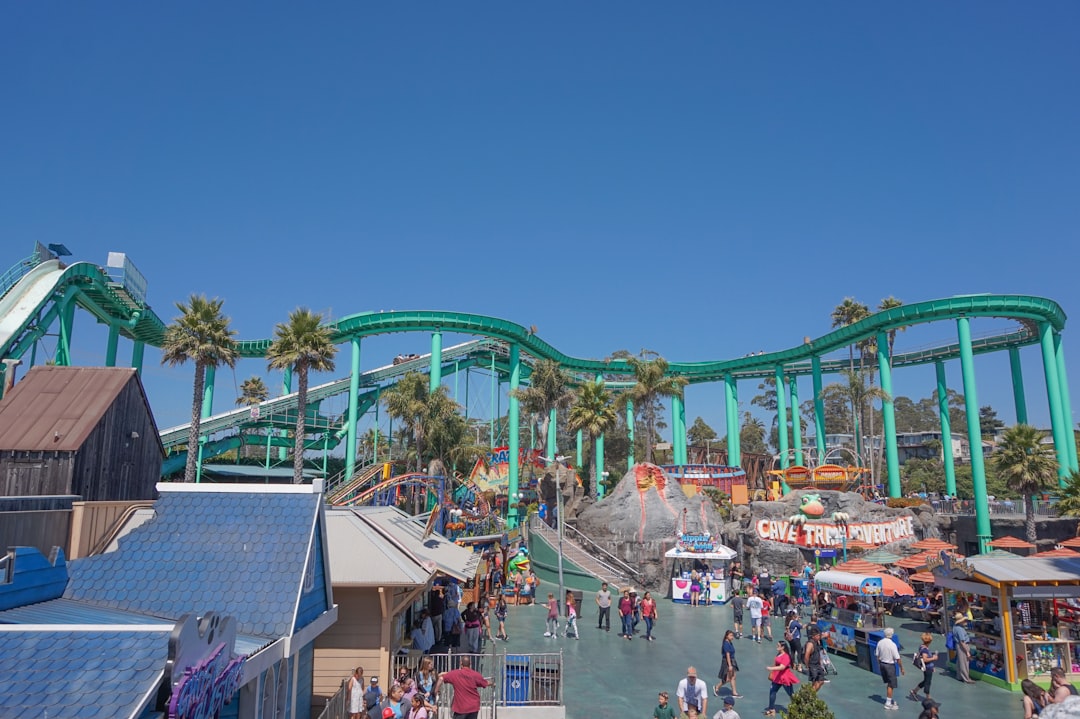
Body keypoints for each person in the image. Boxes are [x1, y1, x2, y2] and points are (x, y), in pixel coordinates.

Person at [763, 640, 799, 716]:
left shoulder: (786, 656)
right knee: (772, 691)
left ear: (783, 647)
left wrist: (771, 668)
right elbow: (776, 663)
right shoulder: (778, 654)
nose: (777, 646)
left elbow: (782, 667)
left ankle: (797, 708)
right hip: (777, 677)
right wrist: (772, 672)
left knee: (790, 694)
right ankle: (771, 709)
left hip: (785, 677)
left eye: (778, 645)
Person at [875, 626, 904, 710]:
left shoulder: (880, 642)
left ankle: (889, 699)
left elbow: (877, 655)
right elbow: (897, 658)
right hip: (890, 666)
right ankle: (888, 703)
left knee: (888, 683)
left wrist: (879, 664)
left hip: (882, 664)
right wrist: (901, 668)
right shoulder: (892, 645)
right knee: (891, 684)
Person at [909, 632, 938, 702]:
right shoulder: (925, 650)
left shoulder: (922, 646)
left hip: (928, 667)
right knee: (928, 682)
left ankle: (914, 691)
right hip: (927, 668)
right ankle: (928, 697)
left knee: (925, 681)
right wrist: (934, 658)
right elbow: (925, 659)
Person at [713, 630, 742, 699]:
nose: (732, 637)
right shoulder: (726, 644)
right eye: (731, 636)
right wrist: (730, 665)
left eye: (732, 635)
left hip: (732, 661)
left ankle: (734, 692)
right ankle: (717, 687)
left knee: (733, 677)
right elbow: (727, 655)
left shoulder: (730, 642)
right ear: (727, 636)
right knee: (728, 678)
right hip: (727, 662)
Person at [951, 613, 975, 684]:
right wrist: (967, 651)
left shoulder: (955, 627)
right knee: (964, 662)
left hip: (958, 646)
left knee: (960, 661)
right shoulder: (960, 629)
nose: (965, 622)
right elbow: (962, 642)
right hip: (962, 646)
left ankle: (959, 676)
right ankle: (966, 678)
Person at [804, 626, 826, 692]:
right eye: (818, 635)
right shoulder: (810, 644)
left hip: (817, 664)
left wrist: (820, 662)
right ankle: (810, 696)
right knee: (814, 682)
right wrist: (807, 665)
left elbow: (818, 653)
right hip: (812, 665)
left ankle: (811, 694)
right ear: (813, 636)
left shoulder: (817, 642)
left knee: (821, 681)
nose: (819, 637)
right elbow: (806, 655)